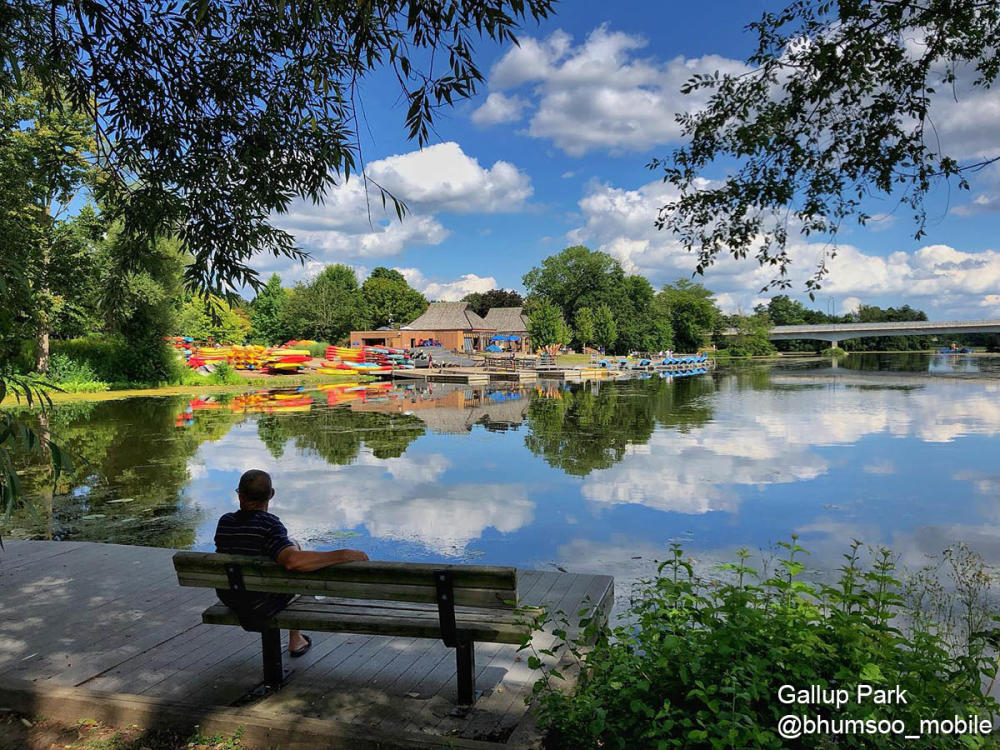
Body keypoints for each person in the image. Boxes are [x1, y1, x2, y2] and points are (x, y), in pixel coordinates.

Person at [214, 469, 369, 657]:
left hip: (231, 597)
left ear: (239, 495)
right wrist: (342, 554)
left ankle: (295, 639)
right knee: (298, 568)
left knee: (291, 548)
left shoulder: (225, 522)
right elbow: (293, 562)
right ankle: (295, 640)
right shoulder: (269, 526)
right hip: (260, 603)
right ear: (271, 495)